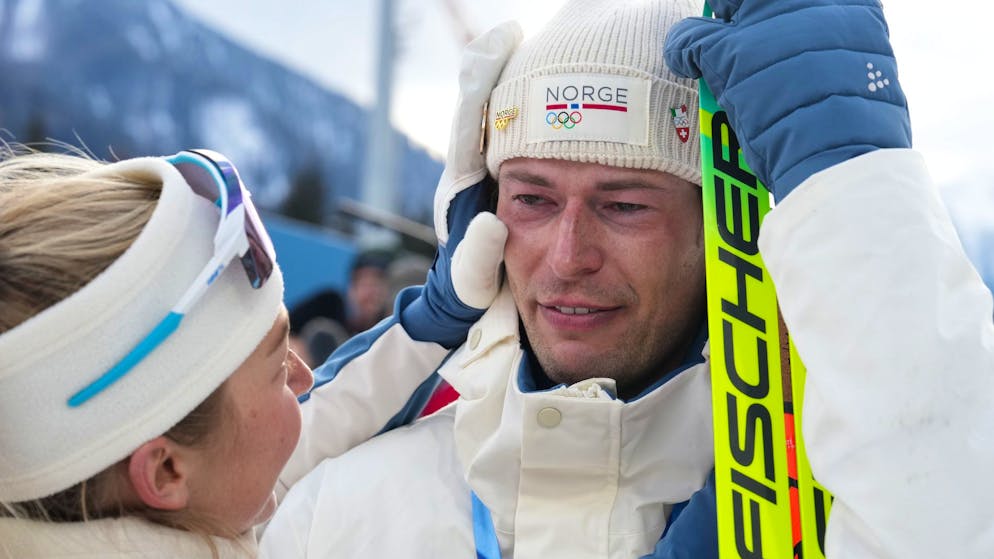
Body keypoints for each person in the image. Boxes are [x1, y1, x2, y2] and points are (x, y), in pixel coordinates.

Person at [263, 1, 994, 558]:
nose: (568, 254)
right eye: (532, 199)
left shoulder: (830, 495)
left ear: (716, 231)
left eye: (624, 205)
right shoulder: (346, 509)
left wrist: (854, 190)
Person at [0, 146, 499, 558]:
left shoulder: (183, 499)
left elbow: (295, 432)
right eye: (278, 368)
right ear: (165, 471)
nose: (306, 380)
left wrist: (429, 324)